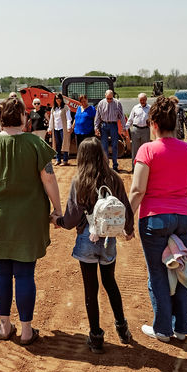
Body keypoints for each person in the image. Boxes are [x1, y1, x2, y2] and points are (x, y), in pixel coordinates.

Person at [0, 97, 63, 346]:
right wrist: (57, 210)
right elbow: (49, 179)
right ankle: (27, 330)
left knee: (0, 273)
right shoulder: (36, 143)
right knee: (25, 273)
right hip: (29, 218)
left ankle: (4, 326)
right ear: (23, 118)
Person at [128, 97, 187, 342]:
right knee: (181, 268)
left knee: (158, 273)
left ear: (153, 124)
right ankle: (181, 328)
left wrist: (127, 219)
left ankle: (162, 329)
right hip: (183, 218)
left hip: (155, 219)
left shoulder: (147, 150)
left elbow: (138, 190)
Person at [56, 138, 135, 353]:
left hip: (86, 238)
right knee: (110, 282)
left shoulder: (80, 181)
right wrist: (129, 229)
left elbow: (72, 217)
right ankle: (122, 329)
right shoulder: (114, 178)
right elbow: (125, 206)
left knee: (90, 287)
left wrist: (59, 222)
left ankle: (96, 337)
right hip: (108, 239)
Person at [94, 90, 126, 172]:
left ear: (113, 96)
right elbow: (98, 116)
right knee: (104, 146)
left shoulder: (117, 103)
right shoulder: (101, 103)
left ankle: (115, 166)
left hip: (113, 125)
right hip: (104, 126)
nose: (109, 100)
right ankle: (106, 166)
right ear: (105, 96)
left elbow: (121, 116)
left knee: (115, 145)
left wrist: (124, 128)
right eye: (108, 98)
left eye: (111, 98)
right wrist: (96, 127)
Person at [49, 93, 72, 165]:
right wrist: (50, 128)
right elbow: (51, 119)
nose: (58, 100)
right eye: (56, 98)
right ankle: (58, 159)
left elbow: (68, 118)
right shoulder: (53, 109)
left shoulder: (65, 107)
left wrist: (68, 127)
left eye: (59, 98)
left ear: (61, 99)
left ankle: (65, 160)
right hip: (56, 128)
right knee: (57, 144)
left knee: (64, 143)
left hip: (63, 128)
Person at [126, 93, 150, 161]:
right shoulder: (135, 108)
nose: (142, 101)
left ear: (146, 99)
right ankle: (134, 166)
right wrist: (126, 128)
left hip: (146, 130)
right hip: (136, 130)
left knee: (145, 149)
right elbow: (130, 119)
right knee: (135, 149)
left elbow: (153, 119)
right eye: (141, 100)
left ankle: (145, 164)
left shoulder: (150, 108)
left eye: (143, 100)